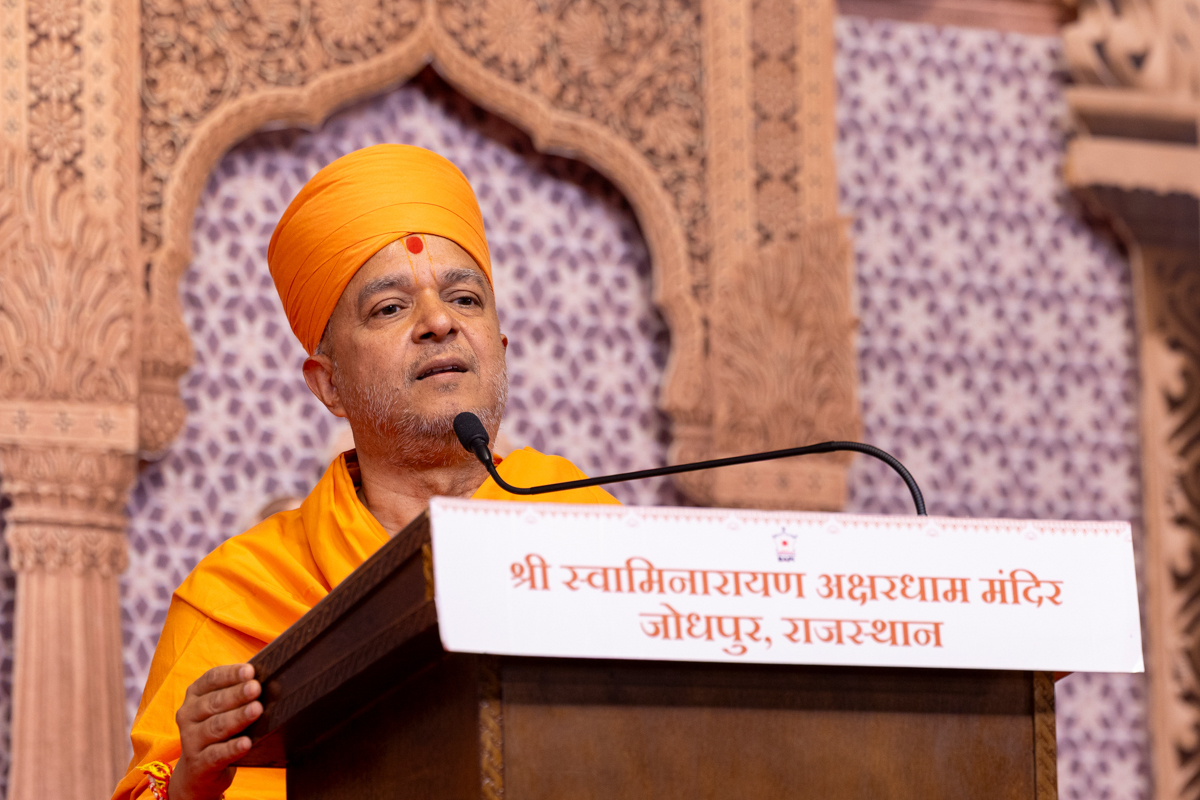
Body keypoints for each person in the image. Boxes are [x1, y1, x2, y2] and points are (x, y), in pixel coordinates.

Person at [112, 144, 620, 800]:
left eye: (465, 298)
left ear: (498, 350)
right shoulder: (240, 598)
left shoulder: (592, 536)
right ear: (329, 386)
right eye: (389, 308)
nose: (439, 322)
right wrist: (190, 785)